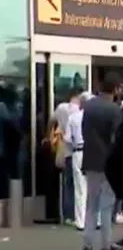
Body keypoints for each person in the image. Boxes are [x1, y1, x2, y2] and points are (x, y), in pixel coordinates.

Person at [80, 73, 122, 250]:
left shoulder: (89, 107)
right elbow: (116, 138)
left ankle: (87, 246)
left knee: (92, 204)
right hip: (109, 163)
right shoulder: (115, 110)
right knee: (107, 205)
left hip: (90, 160)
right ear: (116, 89)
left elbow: (84, 132)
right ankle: (106, 247)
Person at [63, 92, 94, 230]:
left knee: (80, 188)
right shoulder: (94, 117)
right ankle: (96, 220)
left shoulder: (73, 118)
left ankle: (80, 221)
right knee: (95, 187)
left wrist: (75, 142)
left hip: (78, 152)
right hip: (92, 152)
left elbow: (67, 138)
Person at [52, 88, 82, 225]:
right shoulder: (81, 112)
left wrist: (48, 135)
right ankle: (78, 215)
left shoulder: (61, 108)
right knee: (79, 186)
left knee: (67, 184)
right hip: (78, 151)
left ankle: (67, 215)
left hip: (65, 151)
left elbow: (51, 121)